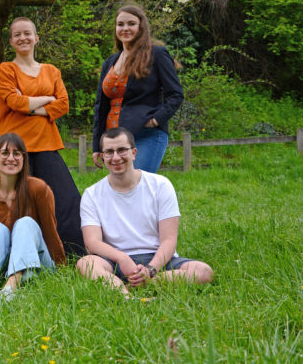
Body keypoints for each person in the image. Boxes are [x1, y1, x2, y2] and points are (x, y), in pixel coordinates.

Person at [77, 127, 213, 296]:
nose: (116, 157)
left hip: (157, 259)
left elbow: (169, 240)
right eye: (109, 152)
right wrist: (122, 258)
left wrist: (151, 269)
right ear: (102, 157)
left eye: (122, 150)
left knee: (203, 271)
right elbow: (92, 242)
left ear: (134, 153)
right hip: (113, 260)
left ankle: (146, 282)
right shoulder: (92, 194)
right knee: (85, 264)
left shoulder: (160, 185)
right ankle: (124, 295)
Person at [0, 17, 84, 256]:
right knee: (17, 203)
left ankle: (73, 253)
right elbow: (13, 101)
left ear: (36, 38)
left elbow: (63, 104)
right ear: (11, 41)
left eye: (27, 33)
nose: (23, 38)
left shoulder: (51, 71)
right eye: (17, 35)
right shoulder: (6, 69)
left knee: (65, 199)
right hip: (14, 147)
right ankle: (16, 255)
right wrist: (47, 99)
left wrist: (30, 105)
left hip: (46, 143)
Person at [0, 133, 67, 300]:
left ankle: (11, 286)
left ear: (24, 159)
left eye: (17, 153)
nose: (11, 158)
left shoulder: (38, 188)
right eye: (5, 153)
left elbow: (50, 233)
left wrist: (62, 271)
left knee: (25, 223)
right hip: (1, 259)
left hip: (36, 260)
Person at [92, 4, 184, 173]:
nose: (125, 28)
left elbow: (175, 94)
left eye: (131, 24)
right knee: (120, 186)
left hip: (146, 134)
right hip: (114, 139)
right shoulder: (110, 62)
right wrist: (97, 145)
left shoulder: (157, 55)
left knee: (138, 184)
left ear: (141, 27)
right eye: (120, 24)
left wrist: (156, 120)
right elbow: (101, 106)